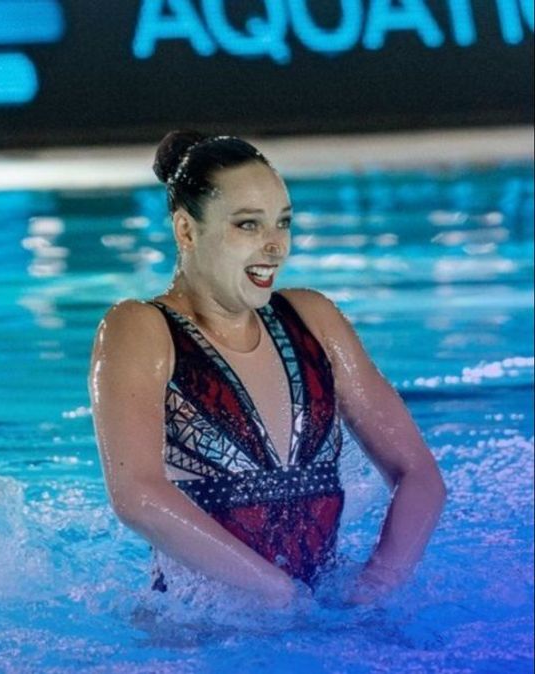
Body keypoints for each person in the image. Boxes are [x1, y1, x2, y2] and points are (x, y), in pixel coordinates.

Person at [88, 131, 445, 607]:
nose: (276, 246)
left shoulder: (313, 321)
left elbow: (419, 474)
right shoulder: (141, 329)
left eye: (283, 223)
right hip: (199, 633)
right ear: (186, 231)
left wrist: (372, 591)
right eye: (248, 225)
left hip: (319, 619)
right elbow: (135, 495)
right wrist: (277, 593)